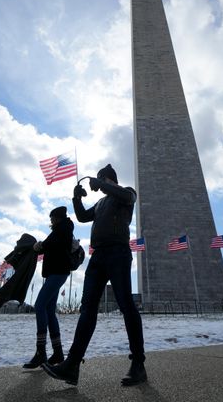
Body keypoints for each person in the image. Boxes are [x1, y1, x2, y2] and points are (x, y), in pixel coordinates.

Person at [41, 164, 146, 386]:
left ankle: (138, 364)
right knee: (87, 308)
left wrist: (105, 185)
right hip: (98, 257)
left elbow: (128, 197)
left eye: (99, 180)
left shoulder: (125, 192)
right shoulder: (100, 203)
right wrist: (76, 199)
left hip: (118, 253)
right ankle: (72, 365)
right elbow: (81, 217)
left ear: (108, 179)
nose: (95, 185)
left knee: (126, 304)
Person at [23, 206, 74, 369]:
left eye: (52, 217)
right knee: (50, 312)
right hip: (55, 273)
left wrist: (41, 246)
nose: (51, 220)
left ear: (58, 218)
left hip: (58, 272)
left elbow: (53, 244)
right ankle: (58, 352)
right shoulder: (60, 230)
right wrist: (42, 246)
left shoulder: (64, 228)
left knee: (40, 306)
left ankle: (41, 352)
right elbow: (52, 244)